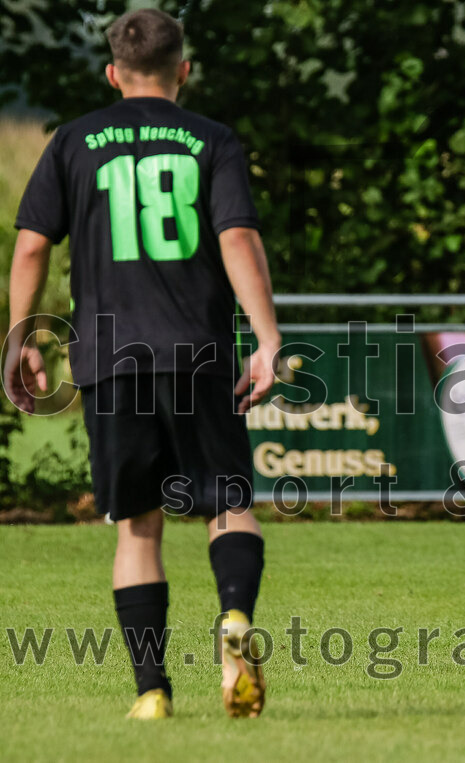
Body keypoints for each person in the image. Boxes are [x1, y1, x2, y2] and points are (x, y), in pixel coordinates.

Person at [4, 9, 281, 718]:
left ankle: (152, 693)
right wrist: (268, 337)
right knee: (228, 503)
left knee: (138, 526)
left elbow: (33, 245)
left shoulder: (74, 141)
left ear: (112, 72)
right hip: (197, 351)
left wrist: (20, 336)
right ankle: (235, 618)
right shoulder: (210, 139)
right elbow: (238, 239)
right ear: (182, 69)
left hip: (109, 360)